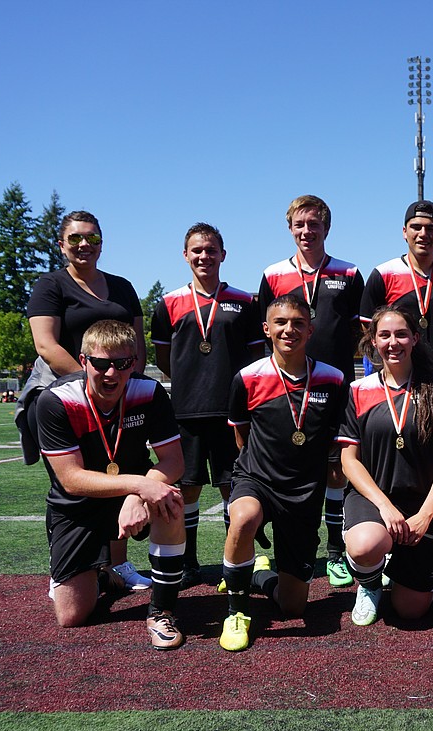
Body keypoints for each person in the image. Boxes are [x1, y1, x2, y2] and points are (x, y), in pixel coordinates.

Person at [36, 320, 186, 649]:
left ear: (134, 362)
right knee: (71, 616)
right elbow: (71, 479)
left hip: (132, 491)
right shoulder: (56, 400)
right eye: (101, 363)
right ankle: (101, 572)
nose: (111, 373)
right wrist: (138, 487)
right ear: (83, 360)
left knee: (171, 501)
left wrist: (139, 494)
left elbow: (174, 461)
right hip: (78, 504)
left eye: (122, 363)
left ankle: (161, 611)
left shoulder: (149, 392)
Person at [22, 210, 151, 590]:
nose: (84, 245)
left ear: (101, 242)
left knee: (120, 473)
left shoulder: (122, 286)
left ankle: (117, 564)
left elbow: (137, 345)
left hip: (117, 398)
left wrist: (124, 383)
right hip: (65, 399)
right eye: (76, 238)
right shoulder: (50, 285)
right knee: (74, 488)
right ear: (61, 245)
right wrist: (91, 384)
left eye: (92, 238)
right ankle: (67, 566)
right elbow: (46, 345)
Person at [219, 295, 346, 651]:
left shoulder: (333, 379)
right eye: (281, 322)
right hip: (257, 479)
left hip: (304, 492)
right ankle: (236, 612)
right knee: (243, 517)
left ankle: (258, 574)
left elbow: (337, 437)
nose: (290, 329)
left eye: (298, 322)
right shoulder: (247, 378)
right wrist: (257, 468)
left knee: (293, 607)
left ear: (310, 330)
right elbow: (241, 434)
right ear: (266, 329)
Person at [258, 195, 364, 589]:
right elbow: (266, 332)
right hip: (286, 390)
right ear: (290, 229)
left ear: (326, 228)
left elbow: (357, 330)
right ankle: (283, 553)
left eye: (314, 224)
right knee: (288, 466)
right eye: (300, 224)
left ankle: (336, 552)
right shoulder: (272, 274)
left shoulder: (349, 273)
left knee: (336, 469)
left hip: (335, 387)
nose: (307, 231)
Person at [151, 223, 264, 588]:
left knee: (235, 488)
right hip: (186, 411)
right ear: (185, 255)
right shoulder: (168, 304)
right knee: (187, 489)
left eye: (211, 249)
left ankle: (236, 563)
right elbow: (165, 359)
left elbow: (255, 358)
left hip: (232, 412)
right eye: (197, 250)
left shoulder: (244, 302)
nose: (204, 256)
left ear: (223, 255)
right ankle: (188, 563)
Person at [337, 307, 433, 625]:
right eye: (384, 335)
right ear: (373, 341)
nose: (393, 342)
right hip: (372, 499)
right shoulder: (358, 390)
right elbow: (349, 460)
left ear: (415, 338)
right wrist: (384, 507)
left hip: (420, 504)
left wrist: (425, 515)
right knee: (365, 545)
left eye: (401, 334)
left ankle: (400, 568)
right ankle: (369, 582)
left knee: (411, 611)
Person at [361, 201, 433, 383]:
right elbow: (368, 329)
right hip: (395, 381)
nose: (423, 234)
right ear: (404, 232)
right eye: (416, 227)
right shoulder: (383, 275)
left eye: (431, 228)